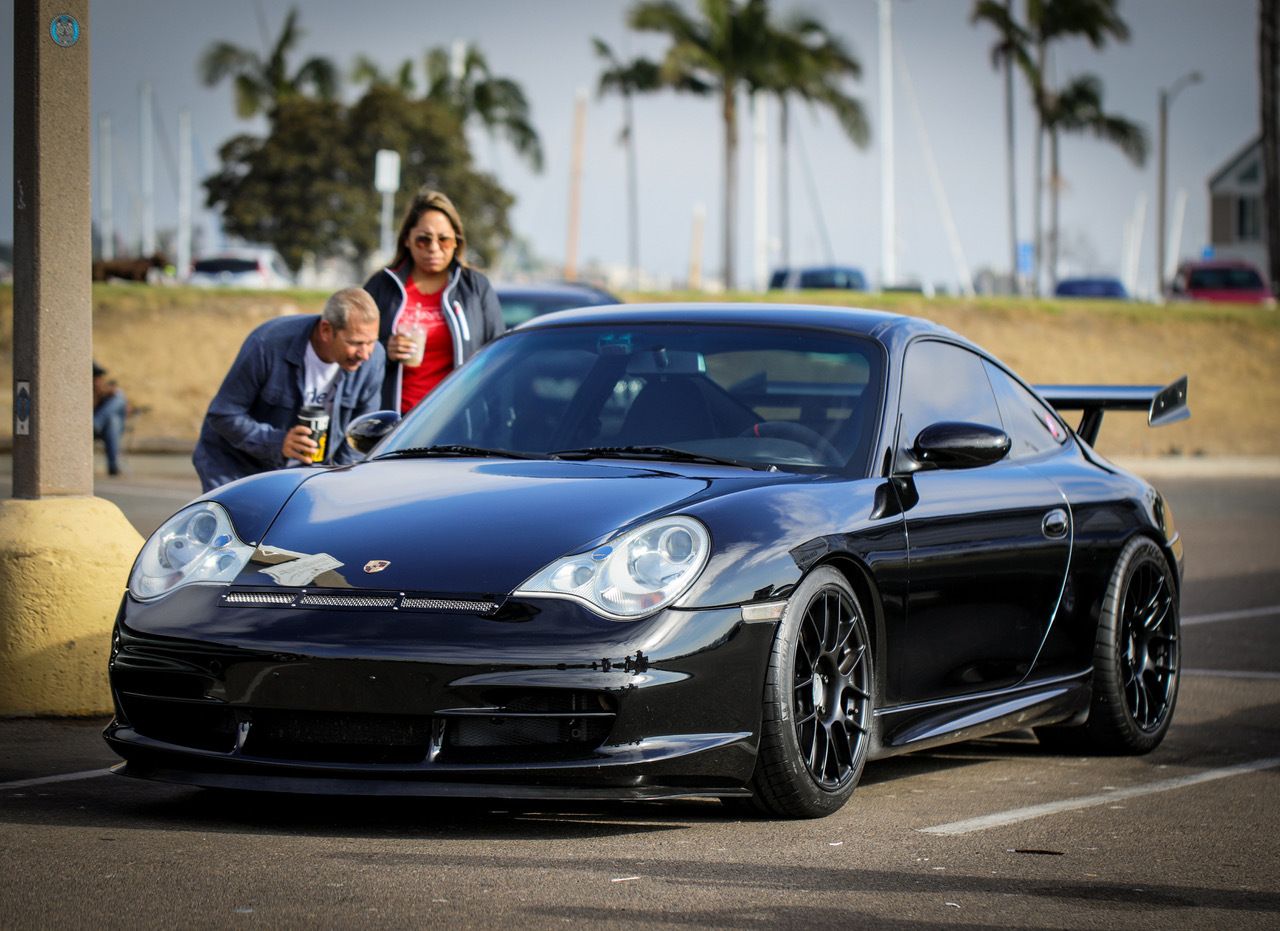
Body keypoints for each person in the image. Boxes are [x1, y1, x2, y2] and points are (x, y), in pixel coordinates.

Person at [192, 287, 385, 492]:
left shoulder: (373, 359)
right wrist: (277, 442)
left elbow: (359, 437)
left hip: (305, 478)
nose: (365, 354)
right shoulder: (267, 344)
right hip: (236, 468)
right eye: (355, 343)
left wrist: (333, 481)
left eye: (371, 342)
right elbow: (223, 414)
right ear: (326, 330)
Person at [363, 188, 504, 414]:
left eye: (444, 240)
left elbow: (498, 358)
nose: (434, 248)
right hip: (394, 421)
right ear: (407, 239)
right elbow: (353, 350)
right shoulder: (383, 285)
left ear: (457, 241)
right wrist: (384, 350)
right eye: (423, 240)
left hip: (455, 420)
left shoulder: (475, 288)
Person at [92, 361, 127, 476]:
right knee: (113, 421)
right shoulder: (87, 392)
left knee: (118, 398)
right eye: (96, 378)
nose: (99, 381)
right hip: (89, 429)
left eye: (100, 378)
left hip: (99, 428)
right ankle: (113, 466)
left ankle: (96, 422)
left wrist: (106, 392)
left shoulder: (107, 393)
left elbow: (127, 409)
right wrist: (95, 394)